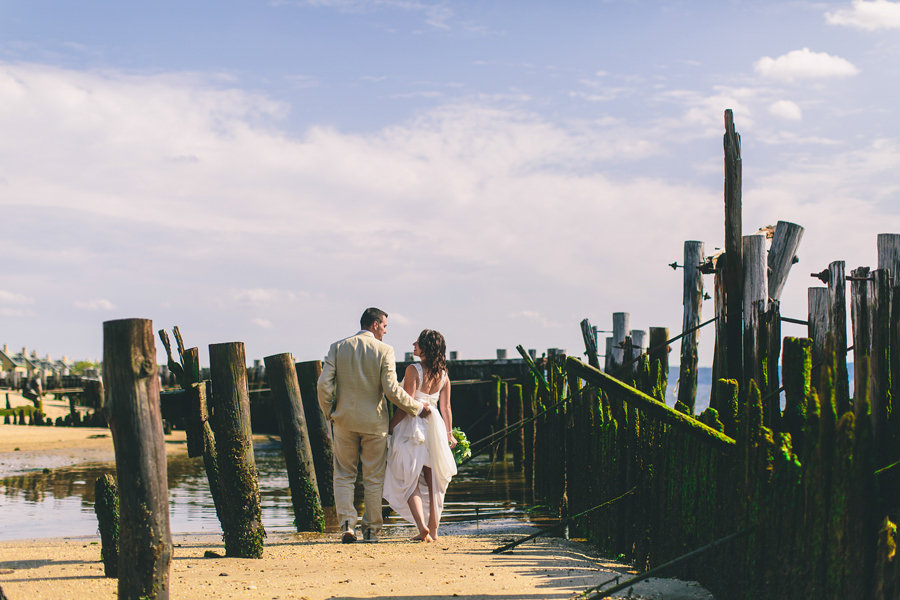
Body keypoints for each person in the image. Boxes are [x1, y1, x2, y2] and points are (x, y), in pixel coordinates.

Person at [317, 308, 431, 544]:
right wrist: (417, 408)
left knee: (344, 475)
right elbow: (391, 390)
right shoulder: (384, 350)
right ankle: (370, 531)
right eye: (385, 326)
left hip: (344, 421)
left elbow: (323, 385)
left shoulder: (337, 347)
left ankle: (347, 526)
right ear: (376, 324)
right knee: (373, 478)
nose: (386, 331)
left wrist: (330, 412)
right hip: (374, 424)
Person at [383, 329, 457, 541]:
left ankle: (422, 527)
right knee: (433, 480)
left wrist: (390, 426)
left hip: (412, 427)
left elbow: (407, 404)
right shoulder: (444, 375)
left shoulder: (413, 370)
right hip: (435, 427)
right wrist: (449, 434)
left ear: (426, 347)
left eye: (418, 342)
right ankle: (433, 530)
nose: (413, 343)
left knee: (409, 478)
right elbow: (446, 407)